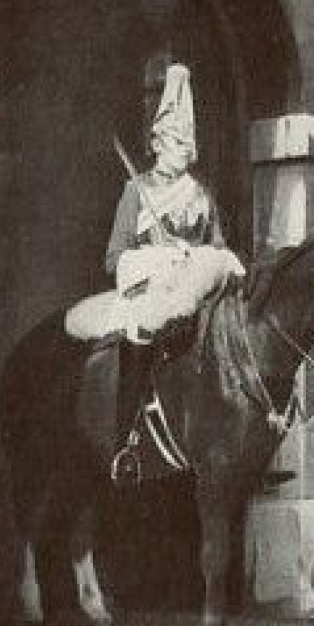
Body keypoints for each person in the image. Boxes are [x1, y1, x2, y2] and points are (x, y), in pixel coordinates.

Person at [102, 63, 244, 461]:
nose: (187, 151)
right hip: (151, 292)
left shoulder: (200, 195)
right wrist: (162, 256)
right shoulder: (136, 190)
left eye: (188, 143)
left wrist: (205, 257)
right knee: (142, 327)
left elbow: (218, 245)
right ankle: (126, 439)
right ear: (159, 143)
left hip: (196, 294)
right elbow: (114, 258)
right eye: (179, 142)